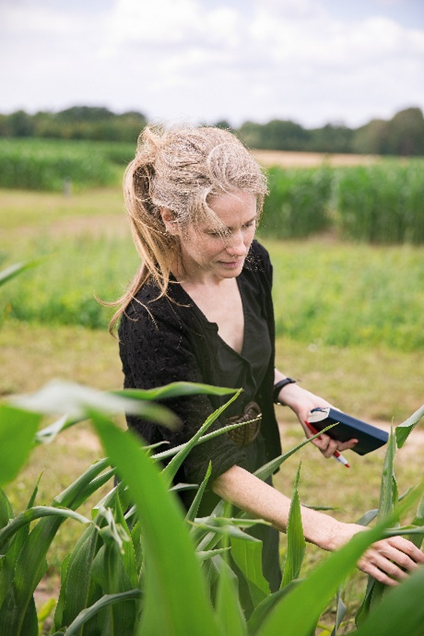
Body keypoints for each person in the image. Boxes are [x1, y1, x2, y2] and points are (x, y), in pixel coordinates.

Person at [113, 124, 423, 596]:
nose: (239, 246)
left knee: (257, 600)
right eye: (219, 231)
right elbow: (204, 462)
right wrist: (332, 532)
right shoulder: (151, 318)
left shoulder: (253, 264)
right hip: (183, 509)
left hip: (257, 478)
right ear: (169, 217)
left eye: (249, 223)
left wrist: (293, 394)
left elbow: (242, 362)